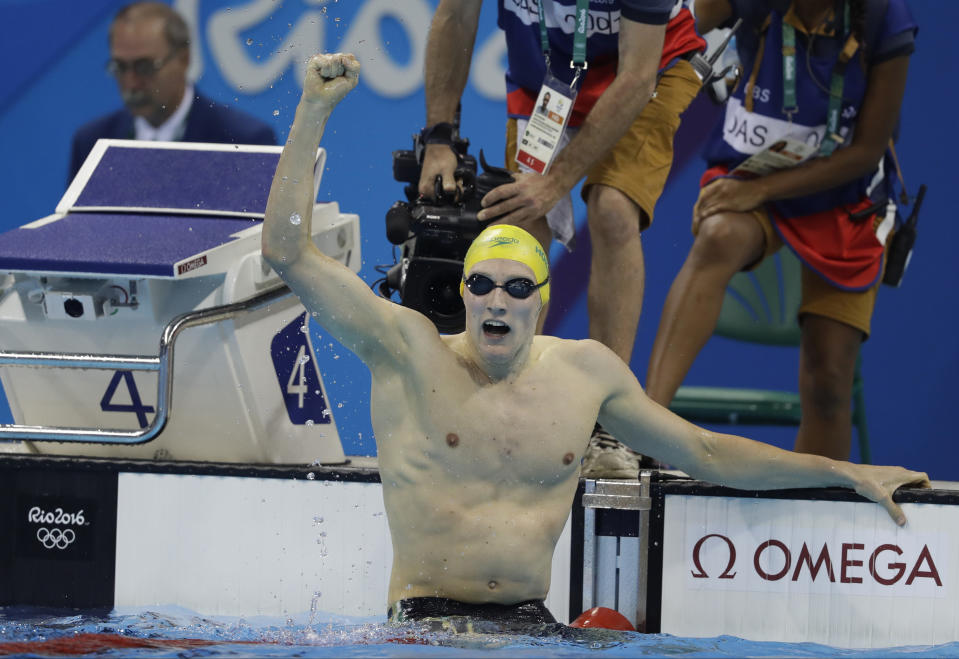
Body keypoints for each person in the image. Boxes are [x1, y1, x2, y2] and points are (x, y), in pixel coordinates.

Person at [262, 52, 928, 626]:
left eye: (517, 288)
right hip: (426, 627)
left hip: (530, 629)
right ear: (462, 295)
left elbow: (703, 450)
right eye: (483, 285)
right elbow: (288, 252)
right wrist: (313, 111)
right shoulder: (407, 350)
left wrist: (842, 472)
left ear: (542, 303)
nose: (498, 300)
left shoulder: (583, 374)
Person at [416, 0, 708, 472]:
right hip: (548, 80)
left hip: (645, 69)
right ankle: (506, 410)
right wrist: (439, 138)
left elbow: (635, 77)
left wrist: (555, 183)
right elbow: (455, 17)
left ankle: (612, 427)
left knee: (613, 208)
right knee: (518, 231)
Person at [646, 0, 917, 461]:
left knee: (829, 381)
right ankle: (644, 429)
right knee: (719, 235)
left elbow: (867, 151)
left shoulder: (884, 17)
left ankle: (817, 509)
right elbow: (671, 29)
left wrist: (762, 192)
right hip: (753, 171)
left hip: (847, 196)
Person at [68, 1, 276, 182]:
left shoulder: (243, 143)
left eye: (144, 67)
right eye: (120, 67)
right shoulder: (92, 144)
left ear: (184, 59)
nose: (131, 82)